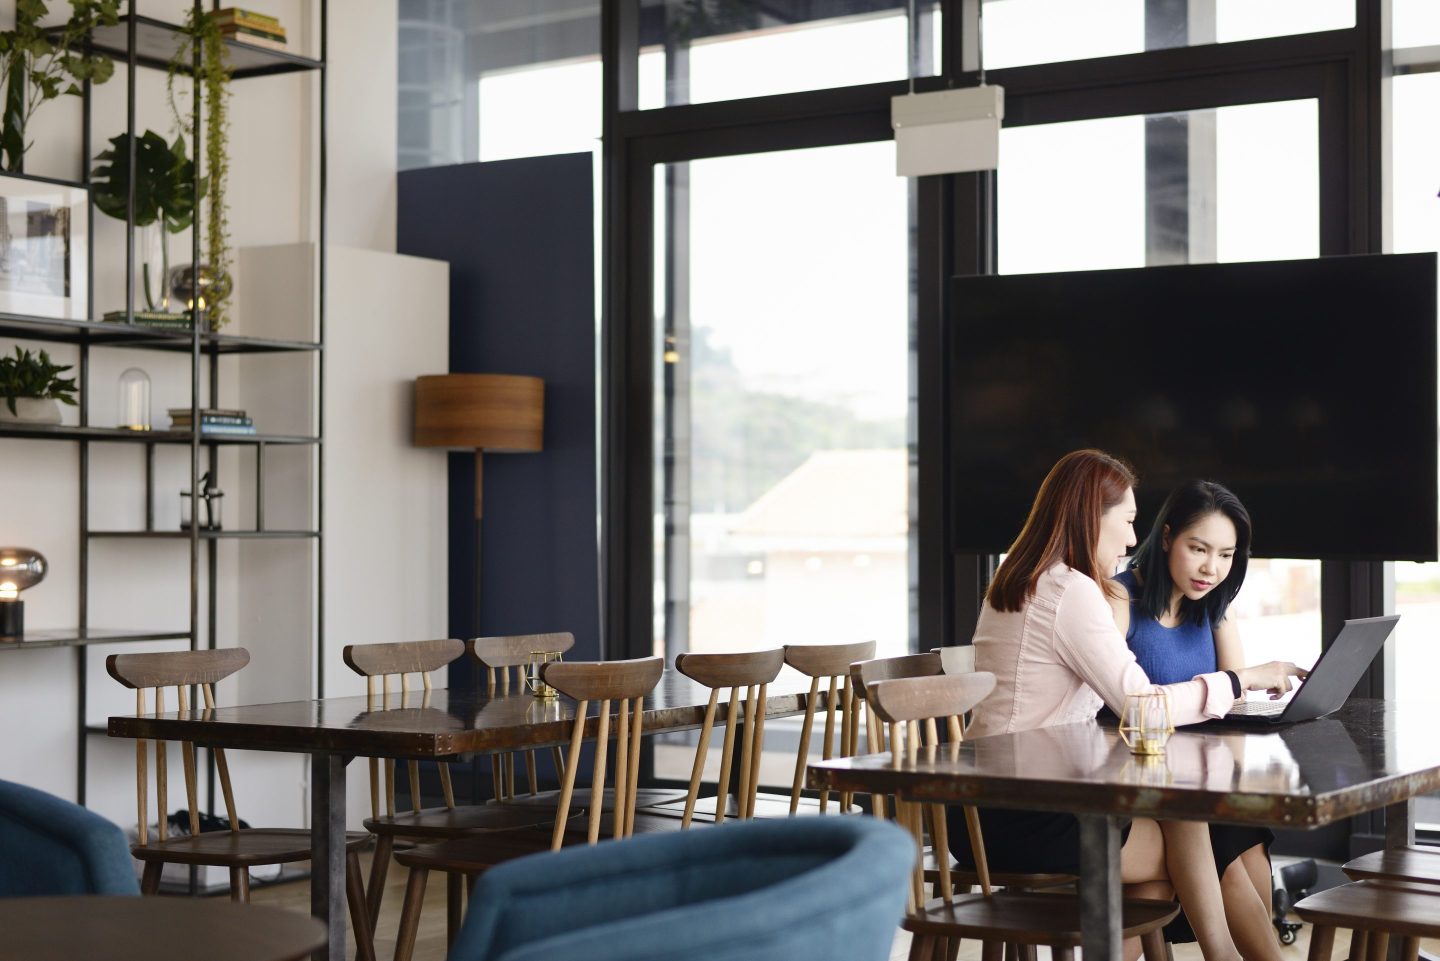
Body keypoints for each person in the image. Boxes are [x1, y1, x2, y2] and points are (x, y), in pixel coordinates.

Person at [952, 450, 1305, 961]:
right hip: (1022, 813)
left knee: (1175, 842)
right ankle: (1225, 956)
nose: (1132, 539)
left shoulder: (1025, 577)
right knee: (1193, 835)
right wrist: (1236, 681)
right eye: (1128, 521)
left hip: (997, 801)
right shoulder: (1070, 591)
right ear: (1090, 516)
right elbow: (1143, 709)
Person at [1110, 479, 1275, 947]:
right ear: (1166, 538)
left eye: (1226, 555)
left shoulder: (1212, 606)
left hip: (1191, 781)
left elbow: (1235, 696)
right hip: (1138, 782)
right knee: (1226, 840)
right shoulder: (1121, 601)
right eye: (1199, 549)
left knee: (1247, 833)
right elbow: (1120, 706)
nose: (1211, 568)